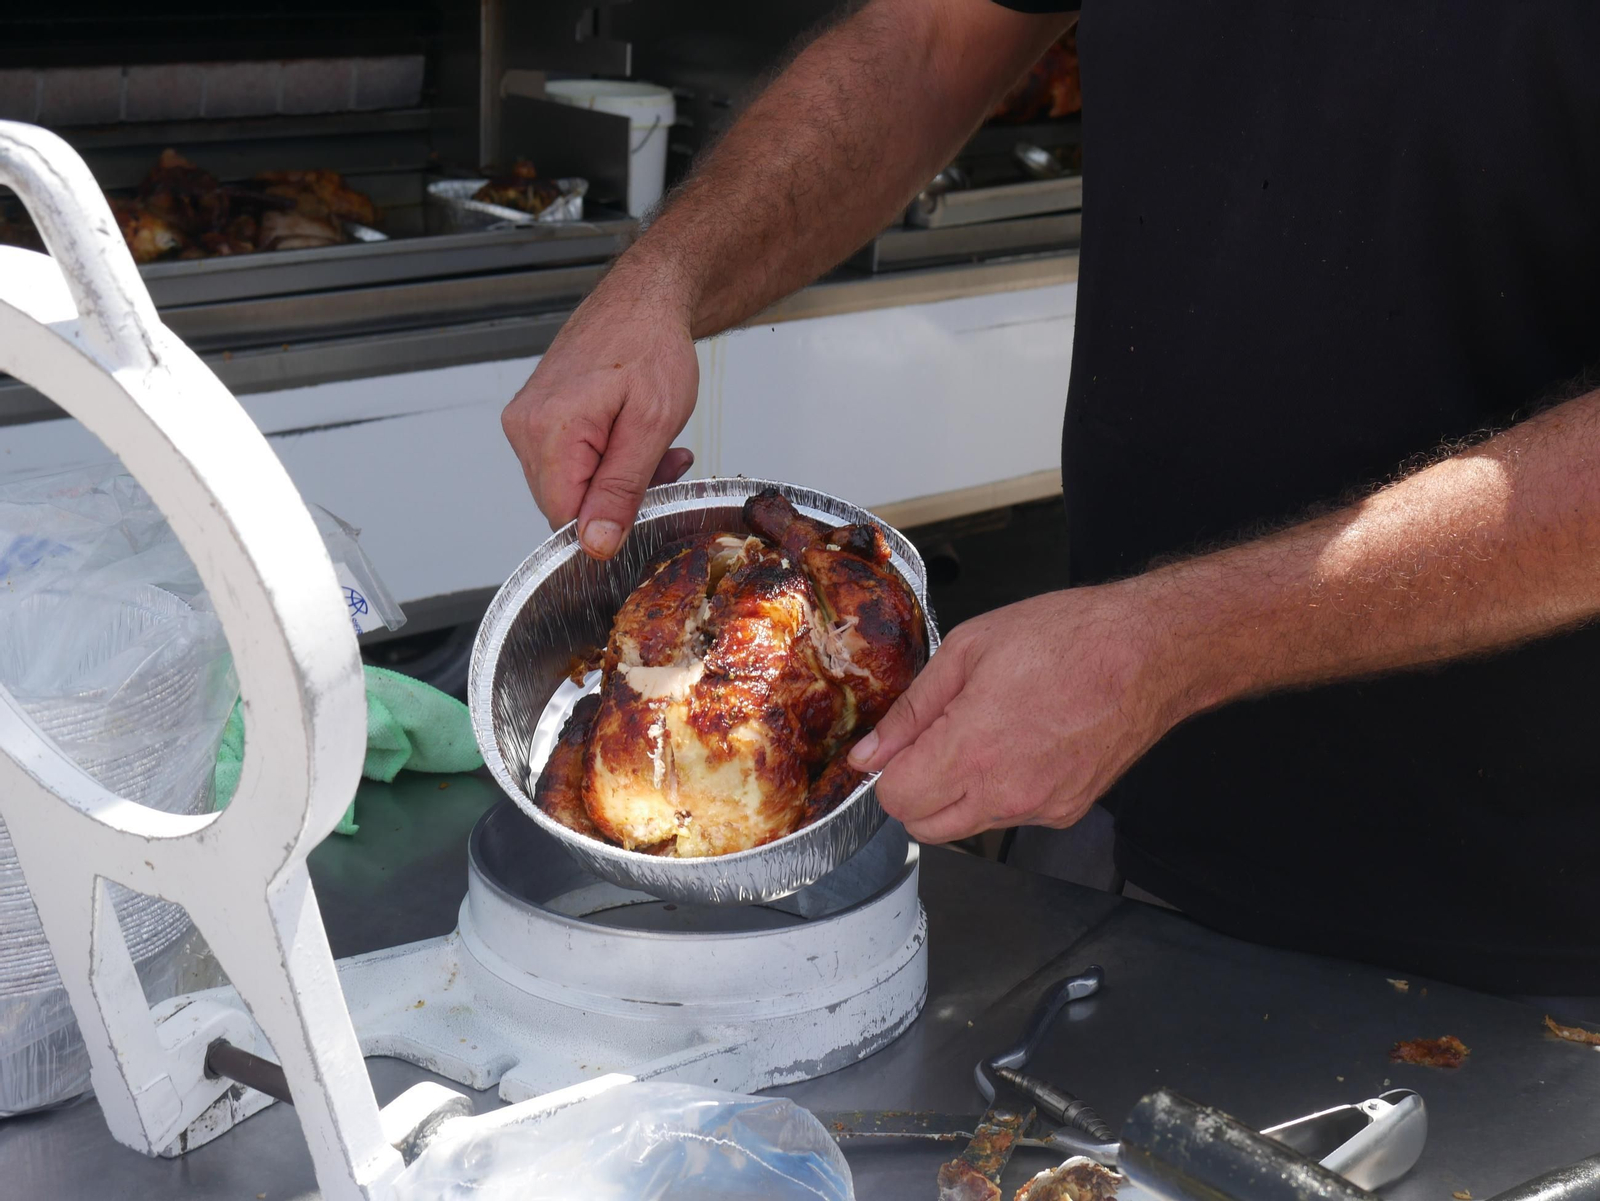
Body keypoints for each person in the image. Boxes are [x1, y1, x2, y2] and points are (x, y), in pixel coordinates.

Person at [502, 0, 1600, 997]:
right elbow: (928, 41)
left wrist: (1173, 643)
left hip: (1533, 922)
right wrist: (666, 275)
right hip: (1141, 841)